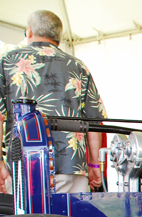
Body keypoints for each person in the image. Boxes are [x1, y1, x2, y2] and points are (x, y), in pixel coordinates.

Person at [0, 10, 106, 194]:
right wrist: (93, 164)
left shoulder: (8, 62)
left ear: (29, 31)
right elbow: (94, 120)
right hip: (71, 165)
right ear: (59, 37)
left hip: (22, 163)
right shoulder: (78, 66)